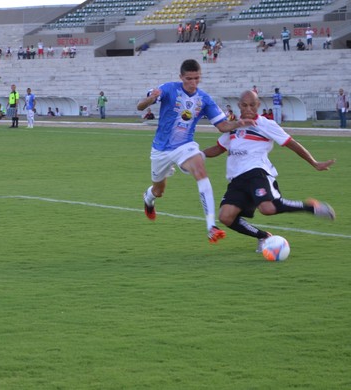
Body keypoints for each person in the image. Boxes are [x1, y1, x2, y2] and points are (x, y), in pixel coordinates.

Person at [136, 59, 256, 243]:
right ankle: (149, 198)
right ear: (181, 77)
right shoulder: (168, 89)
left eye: (196, 78)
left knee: (201, 171)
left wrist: (238, 123)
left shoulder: (204, 99)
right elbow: (140, 106)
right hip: (160, 149)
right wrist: (151, 98)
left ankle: (211, 227)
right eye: (189, 79)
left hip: (185, 146)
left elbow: (223, 125)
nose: (193, 83)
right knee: (159, 190)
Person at [202, 90, 335, 252]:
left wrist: (314, 162)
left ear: (258, 105)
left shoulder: (266, 125)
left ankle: (311, 207)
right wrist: (199, 155)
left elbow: (291, 143)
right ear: (239, 106)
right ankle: (263, 237)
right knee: (225, 217)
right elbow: (219, 148)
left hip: (257, 172)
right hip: (236, 179)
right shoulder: (234, 127)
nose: (248, 109)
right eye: (244, 105)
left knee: (268, 208)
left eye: (252, 105)